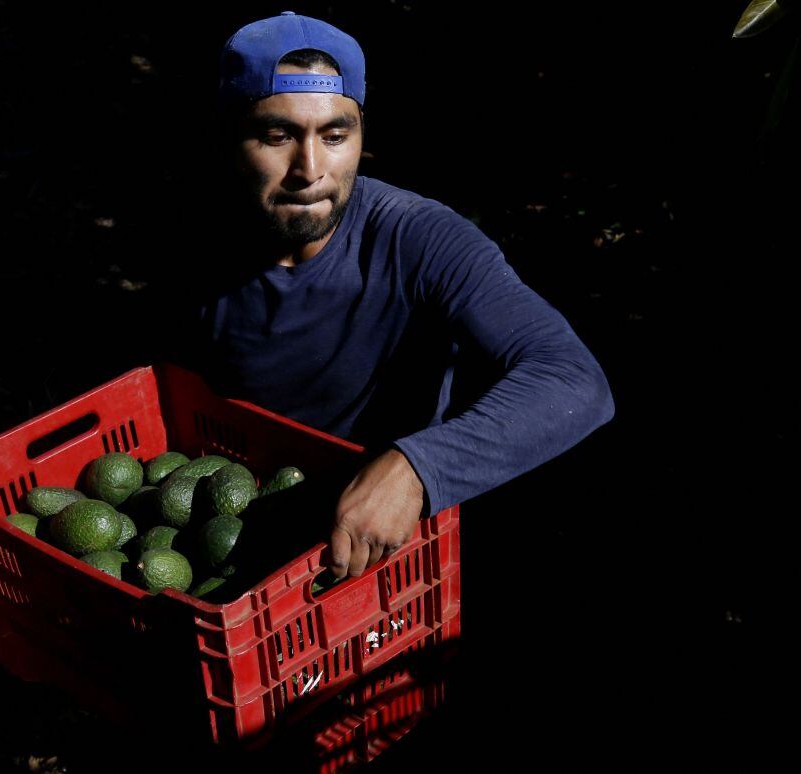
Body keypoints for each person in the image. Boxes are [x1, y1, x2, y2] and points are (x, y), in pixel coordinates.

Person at [186, 11, 615, 581]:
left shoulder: (419, 237)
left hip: (368, 546)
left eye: (335, 136)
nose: (310, 170)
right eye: (277, 135)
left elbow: (573, 380)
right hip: (228, 521)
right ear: (229, 138)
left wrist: (417, 467)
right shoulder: (196, 236)